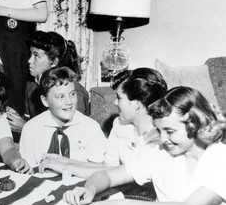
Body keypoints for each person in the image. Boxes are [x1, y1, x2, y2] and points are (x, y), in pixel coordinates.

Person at [64, 86, 226, 205]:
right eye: (159, 130)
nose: (163, 139)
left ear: (195, 124)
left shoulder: (220, 158)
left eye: (170, 131)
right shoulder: (159, 153)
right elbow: (107, 175)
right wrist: (90, 189)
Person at [39, 68, 167, 178]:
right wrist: (64, 161)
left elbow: (112, 174)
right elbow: (106, 167)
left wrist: (65, 168)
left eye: (119, 98)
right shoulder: (120, 125)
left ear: (137, 104)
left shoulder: (159, 139)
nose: (115, 103)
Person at [19, 67, 106, 168]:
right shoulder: (31, 128)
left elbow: (101, 169)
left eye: (72, 94)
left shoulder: (90, 127)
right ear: (45, 101)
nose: (69, 102)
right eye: (60, 97)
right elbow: (27, 171)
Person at [7, 30, 89, 134]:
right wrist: (17, 118)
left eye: (36, 56)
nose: (29, 61)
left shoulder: (74, 91)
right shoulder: (32, 85)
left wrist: (25, 127)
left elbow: (73, 135)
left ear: (54, 62)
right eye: (31, 54)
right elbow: (34, 121)